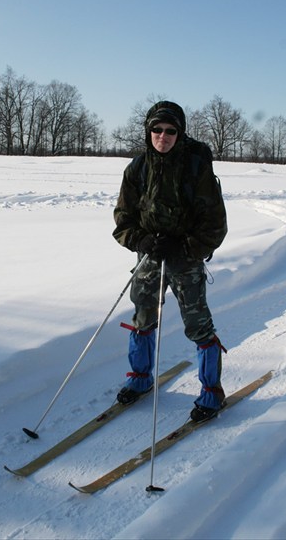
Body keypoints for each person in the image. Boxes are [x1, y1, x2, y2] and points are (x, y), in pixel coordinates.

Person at [112, 101, 228, 422]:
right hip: (150, 255)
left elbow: (215, 223)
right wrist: (141, 239)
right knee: (143, 316)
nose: (163, 136)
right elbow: (123, 218)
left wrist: (187, 246)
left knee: (198, 324)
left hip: (185, 259)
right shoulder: (137, 168)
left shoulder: (196, 168)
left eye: (170, 130)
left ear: (180, 133)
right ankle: (140, 378)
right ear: (148, 131)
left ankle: (211, 392)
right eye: (157, 129)